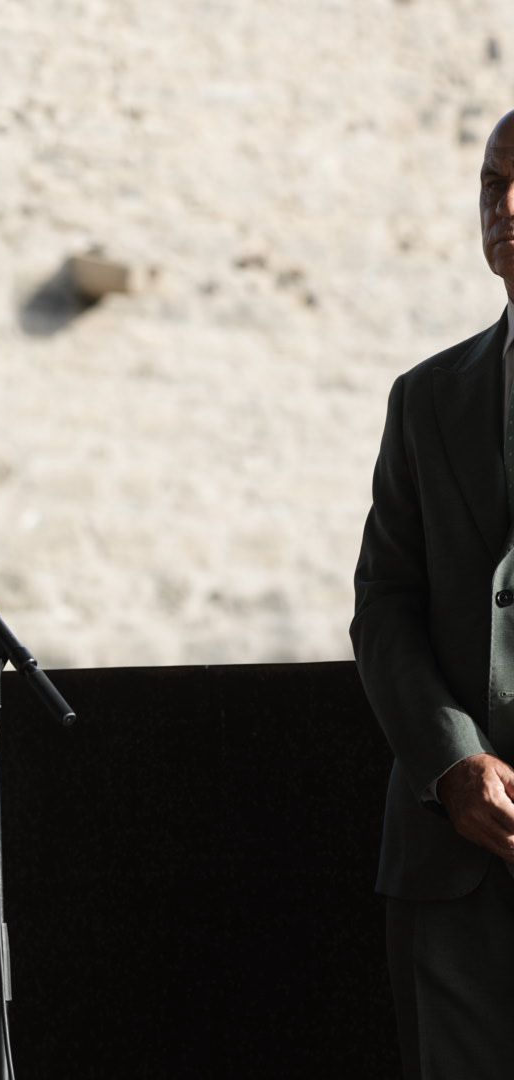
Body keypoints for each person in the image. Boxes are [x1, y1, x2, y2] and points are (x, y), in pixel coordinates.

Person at [352, 108, 514, 1078]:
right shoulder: (424, 397)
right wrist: (453, 763)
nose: (504, 206)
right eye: (490, 183)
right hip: (451, 858)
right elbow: (382, 605)